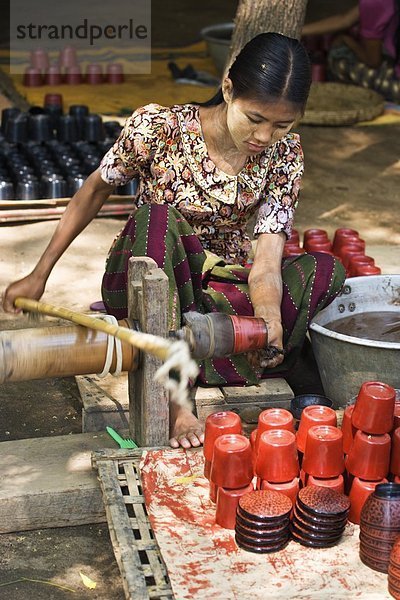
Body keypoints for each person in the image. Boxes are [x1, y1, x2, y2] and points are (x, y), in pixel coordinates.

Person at [2, 33, 345, 449]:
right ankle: (178, 400)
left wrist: (267, 318)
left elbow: (268, 258)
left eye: (281, 125)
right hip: (150, 277)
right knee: (159, 217)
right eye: (254, 119)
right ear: (228, 89)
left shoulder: (285, 154)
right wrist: (40, 274)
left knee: (325, 270)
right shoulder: (159, 128)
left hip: (215, 292)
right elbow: (93, 190)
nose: (264, 136)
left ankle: (229, 345)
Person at [302, 1, 400, 102]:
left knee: (339, 56)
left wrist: (348, 41)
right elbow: (345, 20)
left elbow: (373, 61)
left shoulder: (375, 3)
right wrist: (297, 30)